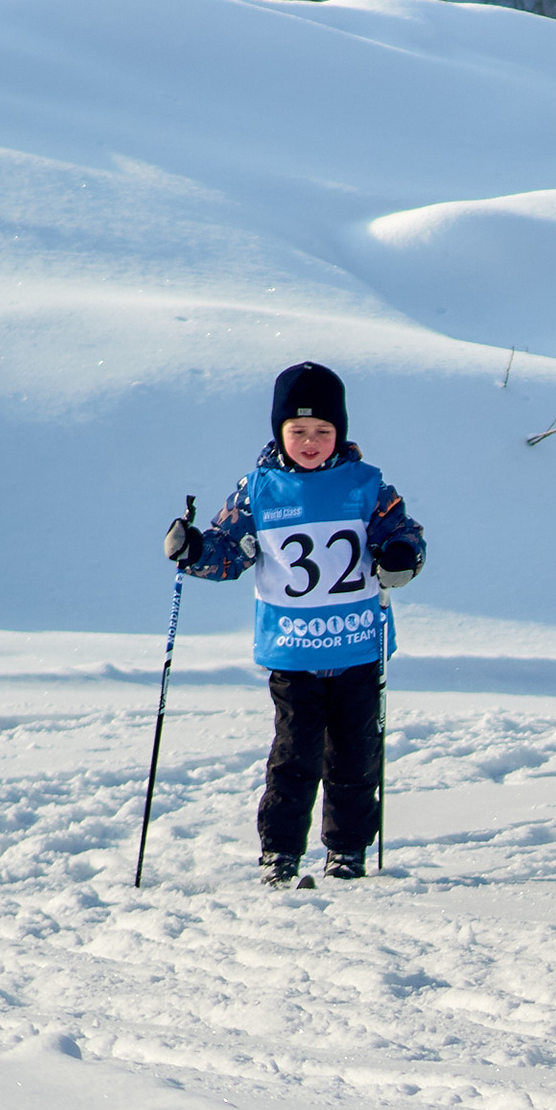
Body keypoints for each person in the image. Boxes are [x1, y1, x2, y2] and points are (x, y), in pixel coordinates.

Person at [167, 360, 424, 884]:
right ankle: (280, 852)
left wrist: (399, 553)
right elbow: (228, 553)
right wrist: (193, 549)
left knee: (355, 758)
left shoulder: (366, 485)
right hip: (294, 650)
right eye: (299, 430)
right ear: (279, 432)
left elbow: (404, 534)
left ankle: (346, 850)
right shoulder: (258, 489)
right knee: (293, 756)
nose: (311, 442)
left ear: (341, 433)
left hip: (356, 645)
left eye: (323, 431)